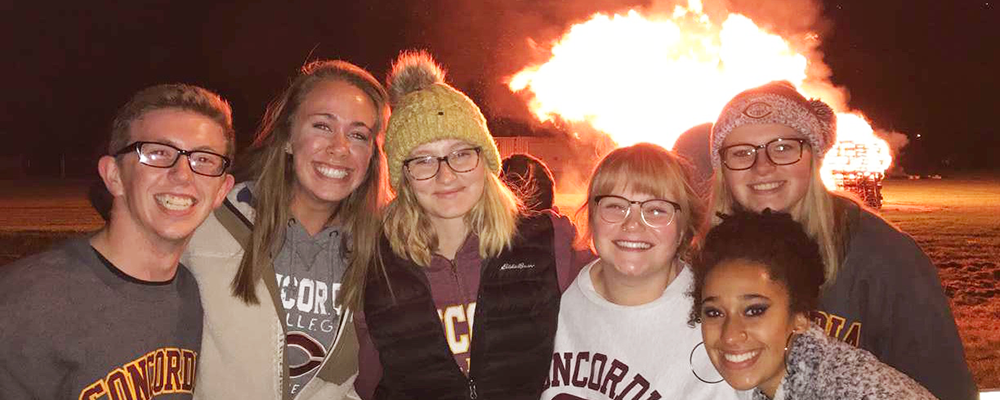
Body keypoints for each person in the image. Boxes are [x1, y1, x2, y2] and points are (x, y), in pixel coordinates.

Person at [707, 80, 976, 400]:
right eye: (741, 153)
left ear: (814, 155)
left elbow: (946, 389)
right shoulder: (709, 259)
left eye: (783, 148)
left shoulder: (887, 258)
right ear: (723, 169)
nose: (763, 167)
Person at [354, 50, 588, 400]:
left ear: (485, 160)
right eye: (424, 160)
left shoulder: (548, 242)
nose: (446, 175)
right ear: (404, 176)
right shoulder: (376, 266)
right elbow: (367, 384)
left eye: (461, 154)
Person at [0, 84, 236, 398]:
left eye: (204, 159)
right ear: (114, 176)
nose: (183, 174)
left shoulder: (197, 298)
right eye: (158, 153)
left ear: (222, 190)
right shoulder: (24, 303)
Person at [181, 60, 390, 399]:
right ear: (289, 137)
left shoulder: (381, 251)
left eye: (358, 135)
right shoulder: (212, 222)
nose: (339, 147)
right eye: (322, 126)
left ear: (371, 158)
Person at [540, 143, 740, 400]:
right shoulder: (554, 290)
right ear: (591, 217)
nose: (633, 224)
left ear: (682, 229)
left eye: (656, 209)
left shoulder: (717, 319)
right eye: (615, 206)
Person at [689, 210, 937, 399]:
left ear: (800, 315)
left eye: (755, 310)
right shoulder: (785, 380)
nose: (730, 335)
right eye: (714, 312)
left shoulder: (848, 389)